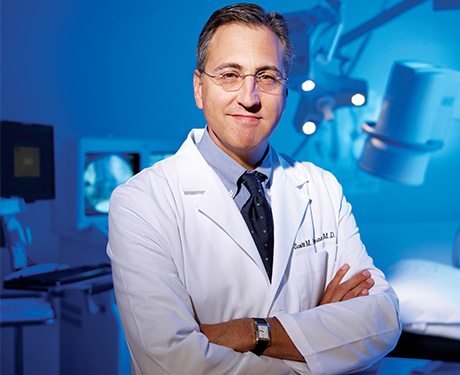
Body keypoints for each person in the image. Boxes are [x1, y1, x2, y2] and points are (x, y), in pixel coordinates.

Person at [107, 3, 401, 374]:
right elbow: (171, 363)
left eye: (267, 77)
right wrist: (320, 341)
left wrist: (252, 332)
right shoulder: (141, 203)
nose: (250, 97)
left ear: (285, 90)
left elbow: (383, 319)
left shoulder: (321, 188)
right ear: (199, 89)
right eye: (230, 75)